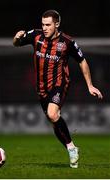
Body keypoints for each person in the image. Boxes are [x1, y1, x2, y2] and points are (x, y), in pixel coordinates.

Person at [13, 9, 103, 168]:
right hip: (41, 87)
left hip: (59, 84)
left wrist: (90, 85)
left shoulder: (67, 42)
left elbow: (82, 61)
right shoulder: (36, 35)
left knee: (52, 114)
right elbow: (17, 43)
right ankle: (72, 147)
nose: (45, 28)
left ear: (57, 24)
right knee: (54, 121)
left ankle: (71, 148)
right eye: (43, 24)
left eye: (48, 25)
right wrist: (16, 38)